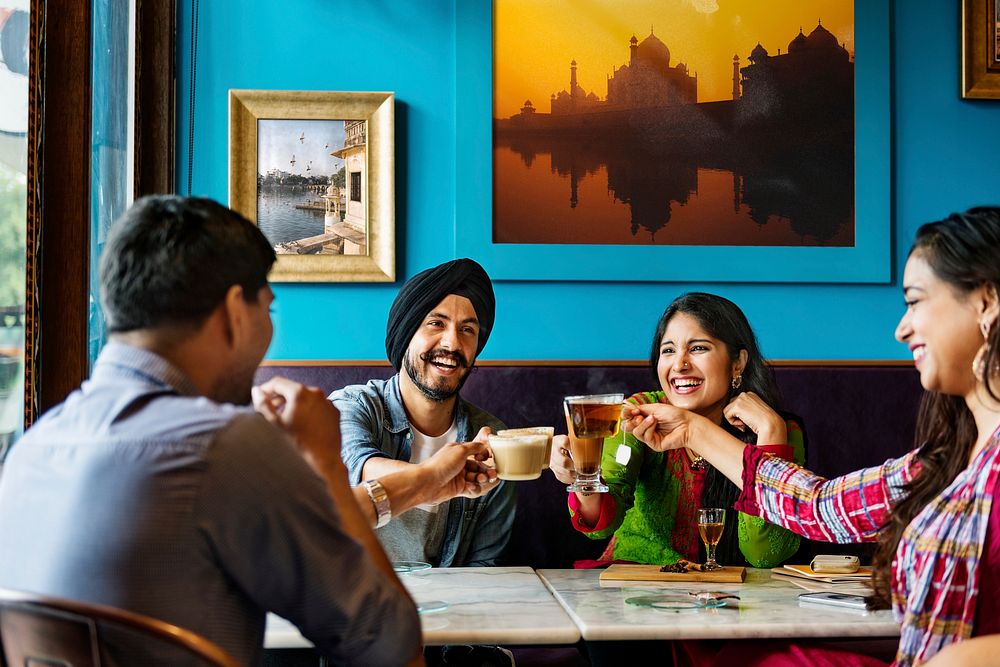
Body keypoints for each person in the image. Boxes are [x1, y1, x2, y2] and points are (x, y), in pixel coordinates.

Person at [0, 196, 494, 666]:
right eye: (268, 308)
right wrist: (322, 462)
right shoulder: (230, 449)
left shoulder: (30, 449)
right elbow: (388, 643)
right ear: (237, 312)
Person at [623, 207, 1000, 667]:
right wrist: (692, 430)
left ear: (987, 302)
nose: (902, 329)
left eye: (916, 301)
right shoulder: (948, 462)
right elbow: (819, 507)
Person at [550, 292, 805, 570]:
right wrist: (583, 478)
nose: (679, 364)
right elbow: (598, 524)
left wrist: (770, 434)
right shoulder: (641, 414)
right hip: (636, 589)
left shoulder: (778, 430)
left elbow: (765, 554)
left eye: (698, 348)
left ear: (738, 363)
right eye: (668, 350)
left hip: (727, 598)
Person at [332, 258, 515, 568]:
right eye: (436, 323)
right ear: (405, 333)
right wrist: (441, 476)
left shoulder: (491, 440)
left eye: (467, 330)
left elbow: (485, 565)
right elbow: (358, 466)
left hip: (451, 610)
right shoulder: (353, 406)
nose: (452, 342)